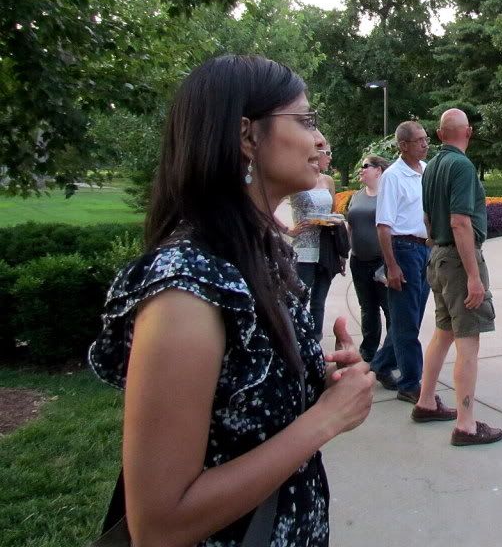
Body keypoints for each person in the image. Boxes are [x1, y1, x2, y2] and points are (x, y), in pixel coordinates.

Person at [88, 55, 374, 546]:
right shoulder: (185, 288)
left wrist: (314, 380)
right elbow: (159, 524)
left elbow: (238, 415)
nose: (320, 139)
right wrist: (325, 420)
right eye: (305, 121)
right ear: (247, 137)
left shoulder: (255, 256)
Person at [415, 109, 502, 445]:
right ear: (468, 132)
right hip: (458, 259)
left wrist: (436, 248)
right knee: (469, 341)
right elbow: (460, 222)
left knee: (443, 333)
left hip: (437, 255)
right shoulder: (462, 167)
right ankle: (466, 424)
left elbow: (426, 216)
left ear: (439, 135)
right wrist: (473, 276)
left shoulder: (432, 166)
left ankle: (425, 402)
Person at [369, 120, 437, 404]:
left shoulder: (425, 172)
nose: (425, 144)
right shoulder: (393, 177)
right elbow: (383, 226)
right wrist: (392, 266)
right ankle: (410, 384)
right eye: (419, 140)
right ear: (403, 145)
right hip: (404, 250)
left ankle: (382, 365)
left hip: (424, 250)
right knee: (407, 322)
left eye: (426, 139)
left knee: (408, 317)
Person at [345, 154, 392, 365]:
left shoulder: (389, 195)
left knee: (389, 310)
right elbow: (350, 226)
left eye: (365, 166)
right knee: (367, 308)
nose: (361, 170)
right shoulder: (356, 196)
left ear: (379, 170)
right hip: (358, 261)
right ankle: (369, 352)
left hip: (382, 264)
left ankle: (392, 354)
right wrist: (343, 252)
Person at [287, 145, 337, 339]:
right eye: (328, 153)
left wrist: (334, 221)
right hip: (304, 248)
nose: (330, 158)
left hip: (325, 248)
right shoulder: (296, 178)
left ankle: (315, 340)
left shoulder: (328, 181)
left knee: (319, 300)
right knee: (299, 298)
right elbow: (265, 202)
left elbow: (333, 211)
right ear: (317, 154)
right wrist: (287, 230)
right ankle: (296, 340)